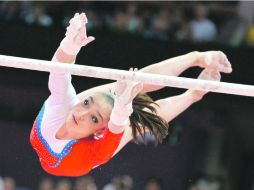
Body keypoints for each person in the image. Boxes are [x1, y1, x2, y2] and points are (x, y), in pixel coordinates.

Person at [30, 12, 232, 177]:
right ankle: (196, 61)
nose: (81, 113)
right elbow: (59, 70)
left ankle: (194, 91)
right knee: (129, 86)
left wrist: (121, 108)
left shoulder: (93, 150)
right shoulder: (64, 105)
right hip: (99, 126)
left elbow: (116, 124)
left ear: (100, 130)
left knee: (135, 121)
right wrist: (70, 44)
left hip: (84, 151)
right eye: (85, 103)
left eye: (93, 118)